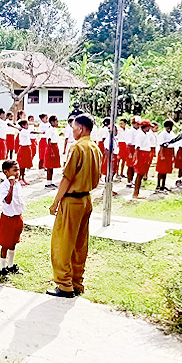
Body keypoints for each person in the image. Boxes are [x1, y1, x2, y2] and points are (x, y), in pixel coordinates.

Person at [47, 114, 101, 298]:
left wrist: (56, 202)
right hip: (86, 199)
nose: (72, 130)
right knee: (80, 243)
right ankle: (77, 282)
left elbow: (67, 177)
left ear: (81, 128)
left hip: (72, 200)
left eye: (74, 127)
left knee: (63, 242)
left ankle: (64, 285)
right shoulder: (95, 148)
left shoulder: (77, 147)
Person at [0, 160, 25, 276]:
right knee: (5, 244)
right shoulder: (4, 186)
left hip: (17, 217)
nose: (18, 172)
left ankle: (10, 265)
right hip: (8, 218)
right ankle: (2, 268)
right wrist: (11, 186)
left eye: (18, 169)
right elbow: (8, 200)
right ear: (6, 172)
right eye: (15, 170)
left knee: (14, 242)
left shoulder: (18, 183)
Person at [132, 120, 152, 199]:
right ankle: (135, 193)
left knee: (141, 173)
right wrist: (136, 158)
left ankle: (137, 192)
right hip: (141, 155)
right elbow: (137, 147)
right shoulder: (140, 135)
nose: (149, 128)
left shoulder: (145, 134)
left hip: (145, 154)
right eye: (148, 126)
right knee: (139, 174)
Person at [156, 120, 176, 193]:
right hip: (164, 151)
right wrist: (162, 155)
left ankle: (163, 185)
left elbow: (173, 144)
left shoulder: (172, 134)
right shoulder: (162, 134)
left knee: (166, 169)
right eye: (167, 126)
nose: (169, 128)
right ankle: (158, 185)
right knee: (161, 169)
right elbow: (161, 145)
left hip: (169, 152)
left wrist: (173, 155)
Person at [44, 115, 61, 189]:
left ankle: (51, 181)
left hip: (55, 147)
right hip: (51, 148)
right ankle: (48, 183)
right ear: (52, 122)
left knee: (52, 166)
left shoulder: (55, 129)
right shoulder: (50, 130)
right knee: (49, 166)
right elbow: (49, 141)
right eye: (56, 121)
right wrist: (51, 151)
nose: (57, 122)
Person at [125, 117, 141, 188]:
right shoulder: (130, 132)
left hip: (136, 148)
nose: (137, 125)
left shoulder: (139, 131)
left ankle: (132, 180)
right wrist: (129, 153)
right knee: (130, 166)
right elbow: (128, 143)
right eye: (136, 123)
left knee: (135, 166)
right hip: (131, 148)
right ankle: (129, 181)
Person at [16, 120, 32, 185]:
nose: (28, 126)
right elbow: (32, 132)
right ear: (23, 125)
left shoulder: (24, 131)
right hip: (23, 148)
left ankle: (23, 178)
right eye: (26, 125)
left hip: (27, 148)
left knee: (25, 164)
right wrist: (40, 132)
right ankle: (20, 178)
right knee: (22, 164)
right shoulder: (23, 131)